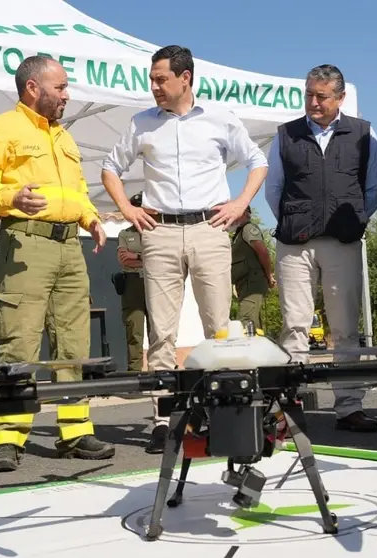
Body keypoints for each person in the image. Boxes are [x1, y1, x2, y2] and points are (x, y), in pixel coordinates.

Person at [101, 45, 268, 452]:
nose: (154, 86)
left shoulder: (220, 118)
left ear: (185, 77)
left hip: (210, 229)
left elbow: (257, 161)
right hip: (159, 233)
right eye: (152, 79)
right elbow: (110, 167)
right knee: (161, 332)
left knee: (219, 328)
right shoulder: (142, 123)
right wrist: (127, 210)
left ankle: (219, 414)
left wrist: (240, 203)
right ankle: (164, 419)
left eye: (161, 79)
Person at [0, 55, 115, 473]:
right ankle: (7, 438)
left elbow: (77, 190)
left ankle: (75, 433)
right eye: (61, 87)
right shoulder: (1, 127)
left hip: (69, 247)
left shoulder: (65, 137)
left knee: (74, 345)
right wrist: (10, 197)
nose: (67, 95)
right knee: (19, 343)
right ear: (33, 88)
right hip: (25, 243)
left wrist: (91, 219)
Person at [264, 64, 377, 433]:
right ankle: (289, 410)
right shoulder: (285, 135)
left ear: (340, 98)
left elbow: (374, 188)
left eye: (322, 96)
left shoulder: (363, 133)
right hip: (294, 246)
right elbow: (274, 189)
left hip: (342, 242)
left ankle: (349, 407)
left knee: (345, 328)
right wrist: (298, 220)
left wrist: (355, 221)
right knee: (294, 326)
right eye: (309, 95)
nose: (314, 102)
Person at [115, 193, 149, 375]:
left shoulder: (157, 231)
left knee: (159, 329)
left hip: (154, 282)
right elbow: (123, 260)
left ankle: (161, 369)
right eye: (135, 206)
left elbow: (161, 260)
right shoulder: (125, 234)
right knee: (134, 329)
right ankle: (134, 372)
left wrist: (136, 256)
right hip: (133, 283)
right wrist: (146, 259)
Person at [230, 206, 275, 334]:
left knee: (246, 321)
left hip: (252, 282)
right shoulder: (239, 232)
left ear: (244, 213)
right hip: (245, 283)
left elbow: (263, 252)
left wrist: (269, 275)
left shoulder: (248, 228)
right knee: (253, 322)